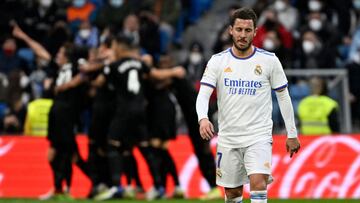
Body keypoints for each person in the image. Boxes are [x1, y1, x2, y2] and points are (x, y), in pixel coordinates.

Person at [196, 8, 300, 203]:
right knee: (233, 194)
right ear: (230, 30)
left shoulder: (269, 61)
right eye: (239, 29)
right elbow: (203, 94)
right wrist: (203, 118)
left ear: (255, 32)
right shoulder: (218, 61)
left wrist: (292, 133)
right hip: (228, 138)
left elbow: (283, 97)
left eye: (247, 30)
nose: (243, 35)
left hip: (258, 136)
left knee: (259, 184)